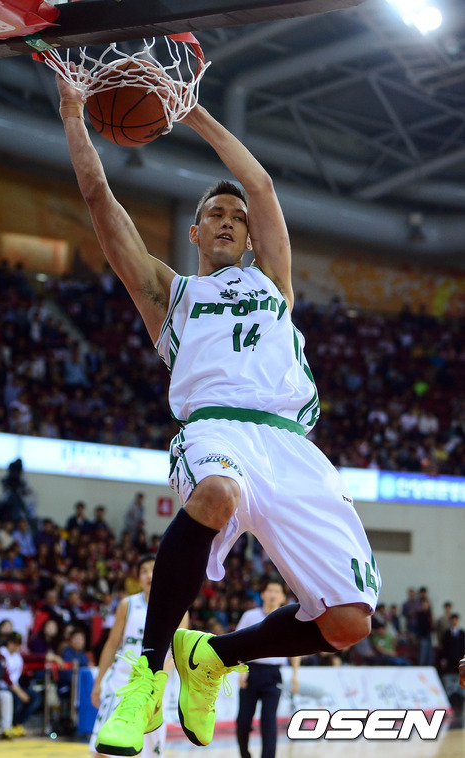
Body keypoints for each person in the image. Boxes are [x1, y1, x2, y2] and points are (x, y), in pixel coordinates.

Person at [56, 71, 380, 757]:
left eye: (237, 216)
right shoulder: (170, 295)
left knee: (350, 622)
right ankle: (148, 677)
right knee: (217, 492)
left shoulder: (274, 281)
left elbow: (260, 185)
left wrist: (192, 109)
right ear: (196, 231)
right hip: (215, 429)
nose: (230, 218)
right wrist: (74, 115)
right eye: (216, 214)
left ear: (252, 236)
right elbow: (99, 199)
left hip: (293, 446)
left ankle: (212, 656)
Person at [89, 554, 189, 757]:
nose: (149, 575)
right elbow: (112, 644)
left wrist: (160, 672)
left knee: (149, 749)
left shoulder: (177, 608)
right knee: (103, 745)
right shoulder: (127, 604)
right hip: (122, 681)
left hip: (154, 685)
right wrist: (98, 682)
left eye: (153, 569)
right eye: (143, 571)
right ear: (138, 578)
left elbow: (179, 651)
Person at [235, 580, 299, 758]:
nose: (272, 594)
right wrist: (241, 670)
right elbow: (238, 643)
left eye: (277, 591)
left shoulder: (288, 620)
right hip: (251, 671)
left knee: (269, 721)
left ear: (282, 597)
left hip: (273, 674)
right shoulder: (250, 616)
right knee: (243, 721)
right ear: (262, 594)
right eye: (269, 590)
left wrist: (295, 674)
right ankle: (245, 754)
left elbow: (296, 649)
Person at [0, 631, 42, 736]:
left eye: (18, 643)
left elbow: (33, 658)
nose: (16, 646)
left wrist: (51, 657)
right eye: (13, 643)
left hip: (15, 687)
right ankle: (10, 725)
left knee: (36, 697)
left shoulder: (17, 656)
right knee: (17, 700)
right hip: (2, 687)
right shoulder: (1, 654)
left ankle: (17, 724)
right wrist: (19, 692)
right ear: (8, 642)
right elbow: (4, 677)